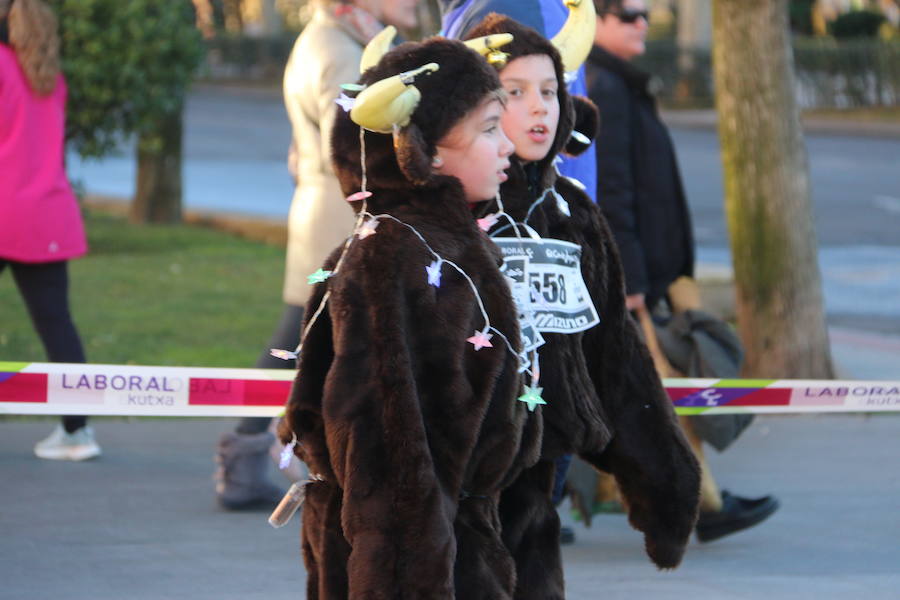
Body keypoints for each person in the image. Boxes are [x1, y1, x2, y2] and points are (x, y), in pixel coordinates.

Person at [278, 35, 543, 598]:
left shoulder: (448, 247)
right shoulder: (396, 258)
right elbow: (385, 448)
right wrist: (410, 576)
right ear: (426, 151)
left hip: (457, 540)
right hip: (415, 560)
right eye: (489, 128)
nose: (508, 148)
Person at [464, 14, 700, 596]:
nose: (539, 108)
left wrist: (663, 478)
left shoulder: (570, 211)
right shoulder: (439, 217)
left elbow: (615, 352)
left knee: (531, 565)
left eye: (550, 91)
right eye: (515, 93)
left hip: (544, 454)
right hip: (452, 473)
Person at [214, 0, 421, 510]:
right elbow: (353, 145)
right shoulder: (339, 49)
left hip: (329, 211)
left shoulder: (331, 40)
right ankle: (250, 458)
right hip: (339, 217)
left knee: (307, 341)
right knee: (303, 341)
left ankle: (256, 458)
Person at [587, 0, 779, 542]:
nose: (642, 22)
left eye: (645, 13)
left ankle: (686, 501)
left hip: (648, 276)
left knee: (651, 397)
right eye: (627, 14)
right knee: (659, 398)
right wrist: (630, 281)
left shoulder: (620, 83)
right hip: (633, 283)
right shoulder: (606, 86)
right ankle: (701, 504)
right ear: (597, 21)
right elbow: (615, 193)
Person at [0, 0, 99, 462]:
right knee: (57, 324)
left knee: (55, 323)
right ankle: (77, 433)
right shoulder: (48, 77)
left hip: (6, 208)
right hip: (46, 215)